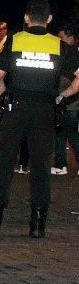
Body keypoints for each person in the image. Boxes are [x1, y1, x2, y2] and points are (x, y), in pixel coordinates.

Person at [0, 0, 79, 238]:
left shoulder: (14, 41)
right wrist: (61, 97)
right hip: (45, 110)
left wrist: (5, 97)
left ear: (26, 18)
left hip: (16, 108)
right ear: (49, 19)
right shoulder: (59, 46)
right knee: (41, 166)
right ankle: (37, 225)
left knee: (3, 162)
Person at [53, 25, 79, 175]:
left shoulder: (70, 54)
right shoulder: (69, 52)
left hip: (70, 101)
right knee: (64, 132)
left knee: (68, 133)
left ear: (70, 37)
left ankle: (60, 164)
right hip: (68, 100)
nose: (59, 41)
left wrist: (62, 94)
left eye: (61, 37)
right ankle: (60, 163)